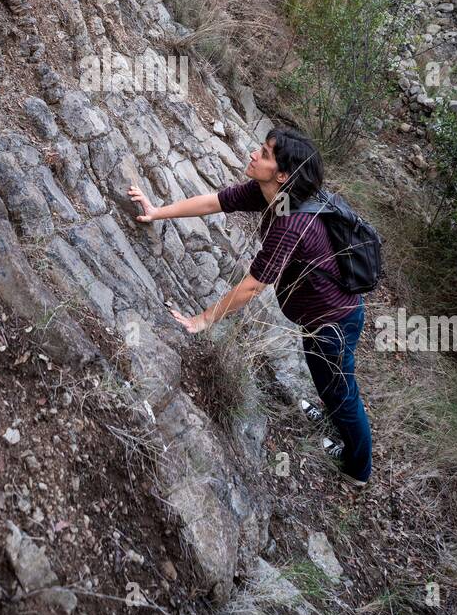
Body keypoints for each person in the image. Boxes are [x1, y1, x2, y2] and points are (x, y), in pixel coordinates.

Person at [127, 127, 373, 488]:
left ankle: (358, 470)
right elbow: (215, 201)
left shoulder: (292, 221)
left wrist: (202, 320)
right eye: (260, 149)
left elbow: (254, 286)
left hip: (333, 323)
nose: (253, 155)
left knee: (342, 393)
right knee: (331, 386)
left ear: (284, 175)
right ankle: (332, 417)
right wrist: (157, 211)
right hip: (324, 317)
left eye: (265, 154)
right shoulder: (274, 195)